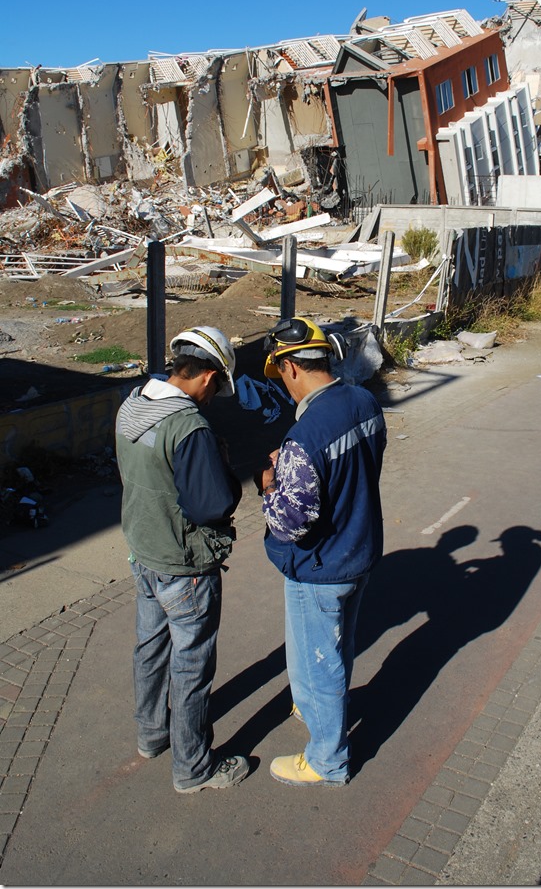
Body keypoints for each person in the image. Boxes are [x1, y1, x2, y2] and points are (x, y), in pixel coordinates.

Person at [115, 325, 250, 794]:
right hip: (183, 567)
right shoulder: (189, 427)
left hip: (144, 551)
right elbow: (211, 504)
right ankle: (193, 767)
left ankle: (152, 735)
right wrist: (227, 468)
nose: (215, 396)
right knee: (191, 666)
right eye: (219, 387)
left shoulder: (132, 405)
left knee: (149, 648)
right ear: (209, 377)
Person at [255, 316, 386, 786]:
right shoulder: (364, 400)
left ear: (290, 367)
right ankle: (317, 706)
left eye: (281, 376)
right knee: (338, 648)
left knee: (318, 659)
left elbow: (290, 522)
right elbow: (357, 469)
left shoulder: (305, 435)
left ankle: (327, 759)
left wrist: (271, 484)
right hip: (359, 549)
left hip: (320, 566)